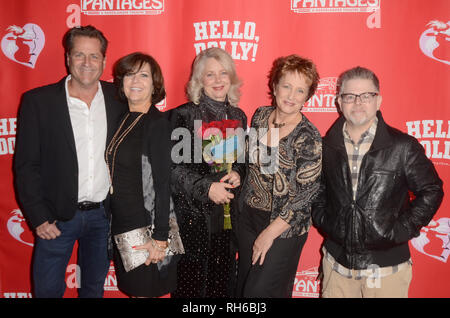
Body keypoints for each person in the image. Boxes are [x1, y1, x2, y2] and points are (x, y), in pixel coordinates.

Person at [14, 25, 127, 298]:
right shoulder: (38, 102)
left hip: (103, 216)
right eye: (79, 55)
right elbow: (26, 166)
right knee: (48, 291)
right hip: (56, 218)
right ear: (67, 58)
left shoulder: (119, 100)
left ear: (103, 60)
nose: (87, 63)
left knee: (93, 291)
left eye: (94, 56)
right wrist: (39, 218)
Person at [312, 66, 444, 298]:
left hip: (387, 271)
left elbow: (431, 190)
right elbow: (318, 190)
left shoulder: (403, 146)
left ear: (378, 100)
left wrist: (401, 229)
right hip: (336, 266)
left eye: (367, 96)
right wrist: (326, 221)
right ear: (339, 102)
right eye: (350, 96)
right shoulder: (325, 147)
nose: (358, 103)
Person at [236, 54, 322, 298]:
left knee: (259, 292)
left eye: (300, 90)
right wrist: (236, 173)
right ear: (274, 86)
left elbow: (304, 199)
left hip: (284, 227)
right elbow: (249, 161)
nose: (291, 96)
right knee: (243, 287)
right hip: (249, 217)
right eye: (286, 86)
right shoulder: (260, 116)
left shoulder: (308, 138)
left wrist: (268, 235)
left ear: (307, 96)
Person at [169, 47, 247, 297]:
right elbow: (172, 169)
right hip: (193, 220)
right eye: (210, 74)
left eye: (223, 73)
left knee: (222, 287)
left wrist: (238, 173)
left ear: (231, 77)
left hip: (228, 221)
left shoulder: (238, 116)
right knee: (191, 289)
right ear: (199, 80)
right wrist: (208, 188)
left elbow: (243, 161)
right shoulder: (184, 115)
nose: (218, 80)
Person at [108, 52, 183, 297]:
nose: (135, 80)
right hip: (122, 223)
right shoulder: (122, 118)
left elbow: (163, 185)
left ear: (154, 84)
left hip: (146, 226)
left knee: (144, 291)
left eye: (143, 75)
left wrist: (160, 238)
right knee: (134, 291)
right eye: (129, 74)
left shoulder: (157, 123)